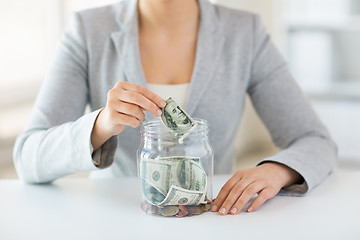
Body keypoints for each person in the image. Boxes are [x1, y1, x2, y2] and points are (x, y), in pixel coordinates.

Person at [13, 0, 337, 216]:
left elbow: (316, 140)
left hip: (212, 220)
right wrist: (101, 125)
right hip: (118, 222)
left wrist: (276, 171)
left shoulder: (245, 33)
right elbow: (27, 158)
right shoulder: (87, 31)